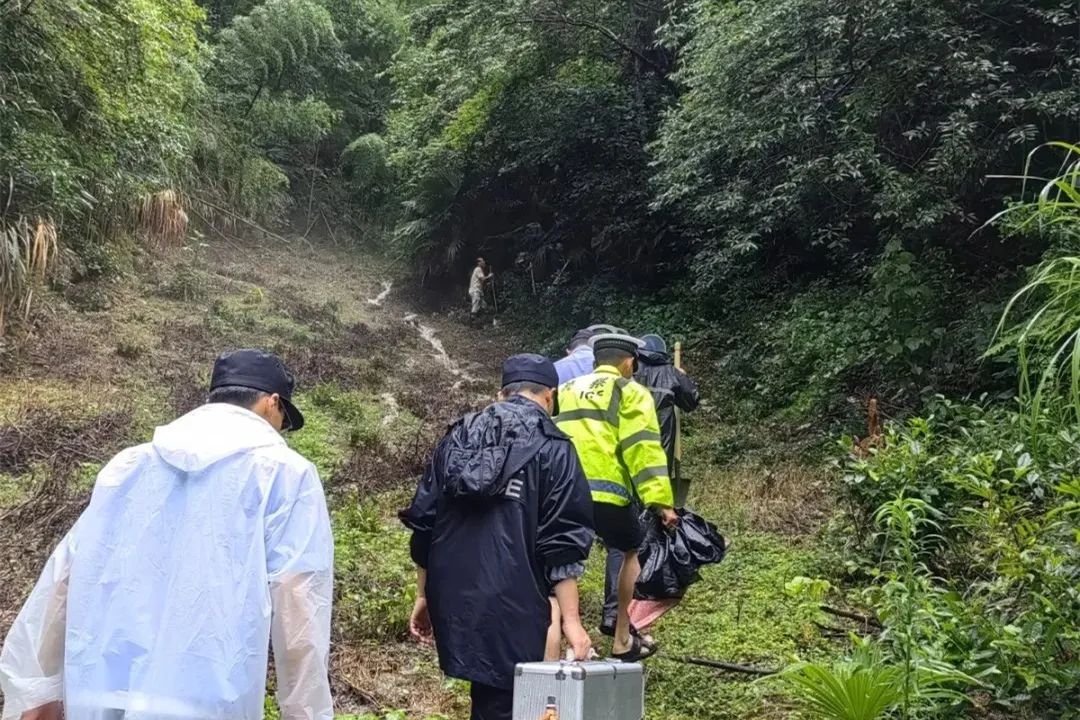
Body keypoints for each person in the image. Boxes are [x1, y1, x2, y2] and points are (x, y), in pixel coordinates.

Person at [0, 349, 334, 720]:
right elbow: (298, 603)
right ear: (272, 404)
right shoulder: (285, 474)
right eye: (284, 420)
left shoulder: (130, 464)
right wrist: (305, 713)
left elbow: (65, 576)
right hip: (209, 698)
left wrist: (39, 688)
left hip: (105, 688)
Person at [401, 354, 594, 720]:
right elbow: (562, 541)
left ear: (501, 394)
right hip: (515, 600)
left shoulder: (458, 435)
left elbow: (425, 520)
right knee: (510, 697)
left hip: (454, 594)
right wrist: (571, 620)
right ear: (550, 397)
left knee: (489, 692)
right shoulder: (555, 446)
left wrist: (424, 595)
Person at [556, 333, 678, 661]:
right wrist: (661, 502)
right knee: (630, 550)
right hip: (608, 493)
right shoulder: (629, 391)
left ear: (596, 361)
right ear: (627, 363)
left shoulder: (566, 390)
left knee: (561, 564)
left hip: (563, 492)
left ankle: (570, 645)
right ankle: (623, 637)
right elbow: (644, 449)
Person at [468, 257, 493, 321]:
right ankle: (472, 320)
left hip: (478, 290)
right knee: (476, 304)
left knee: (484, 305)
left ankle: (483, 320)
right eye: (482, 261)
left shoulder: (479, 270)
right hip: (475, 290)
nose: (484, 262)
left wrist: (488, 282)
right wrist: (489, 276)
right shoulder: (478, 269)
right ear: (479, 263)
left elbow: (481, 281)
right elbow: (483, 279)